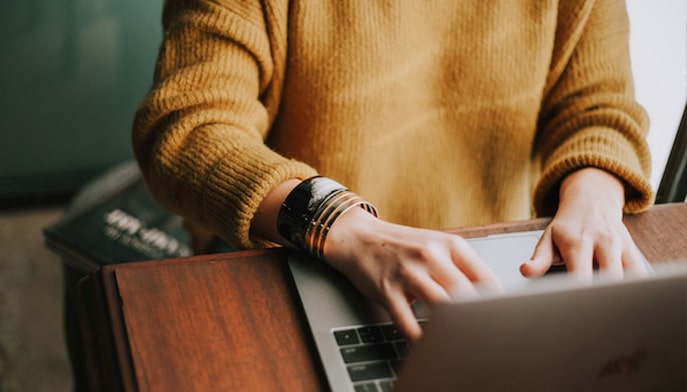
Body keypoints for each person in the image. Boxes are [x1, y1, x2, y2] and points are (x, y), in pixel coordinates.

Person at [132, 0, 654, 340]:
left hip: (489, 273)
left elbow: (599, 107)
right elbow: (188, 128)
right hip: (295, 261)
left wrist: (595, 195)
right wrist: (342, 225)